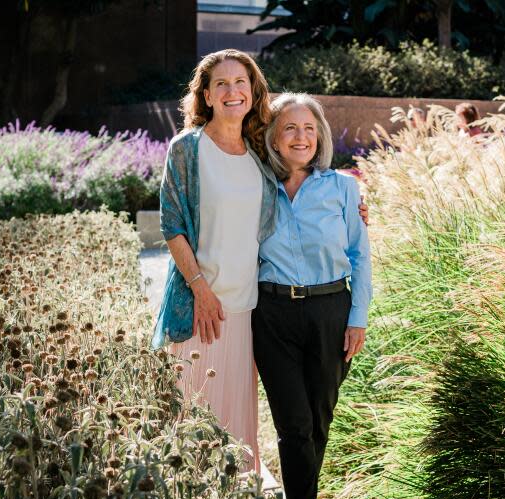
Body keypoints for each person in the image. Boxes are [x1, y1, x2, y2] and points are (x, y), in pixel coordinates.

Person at [152, 50, 369, 474]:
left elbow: (301, 190)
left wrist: (354, 207)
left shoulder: (258, 154)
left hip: (251, 312)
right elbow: (172, 225)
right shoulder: (188, 149)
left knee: (236, 432)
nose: (233, 91)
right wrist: (200, 290)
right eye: (222, 84)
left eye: (241, 82)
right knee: (194, 423)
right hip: (202, 309)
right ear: (207, 95)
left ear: (254, 93)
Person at [252, 92, 372, 499]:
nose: (300, 137)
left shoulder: (343, 188)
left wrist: (357, 317)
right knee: (294, 422)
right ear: (274, 139)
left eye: (309, 129)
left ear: (319, 136)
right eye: (289, 129)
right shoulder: (258, 186)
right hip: (272, 314)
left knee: (318, 419)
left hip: (330, 311)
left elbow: (360, 256)